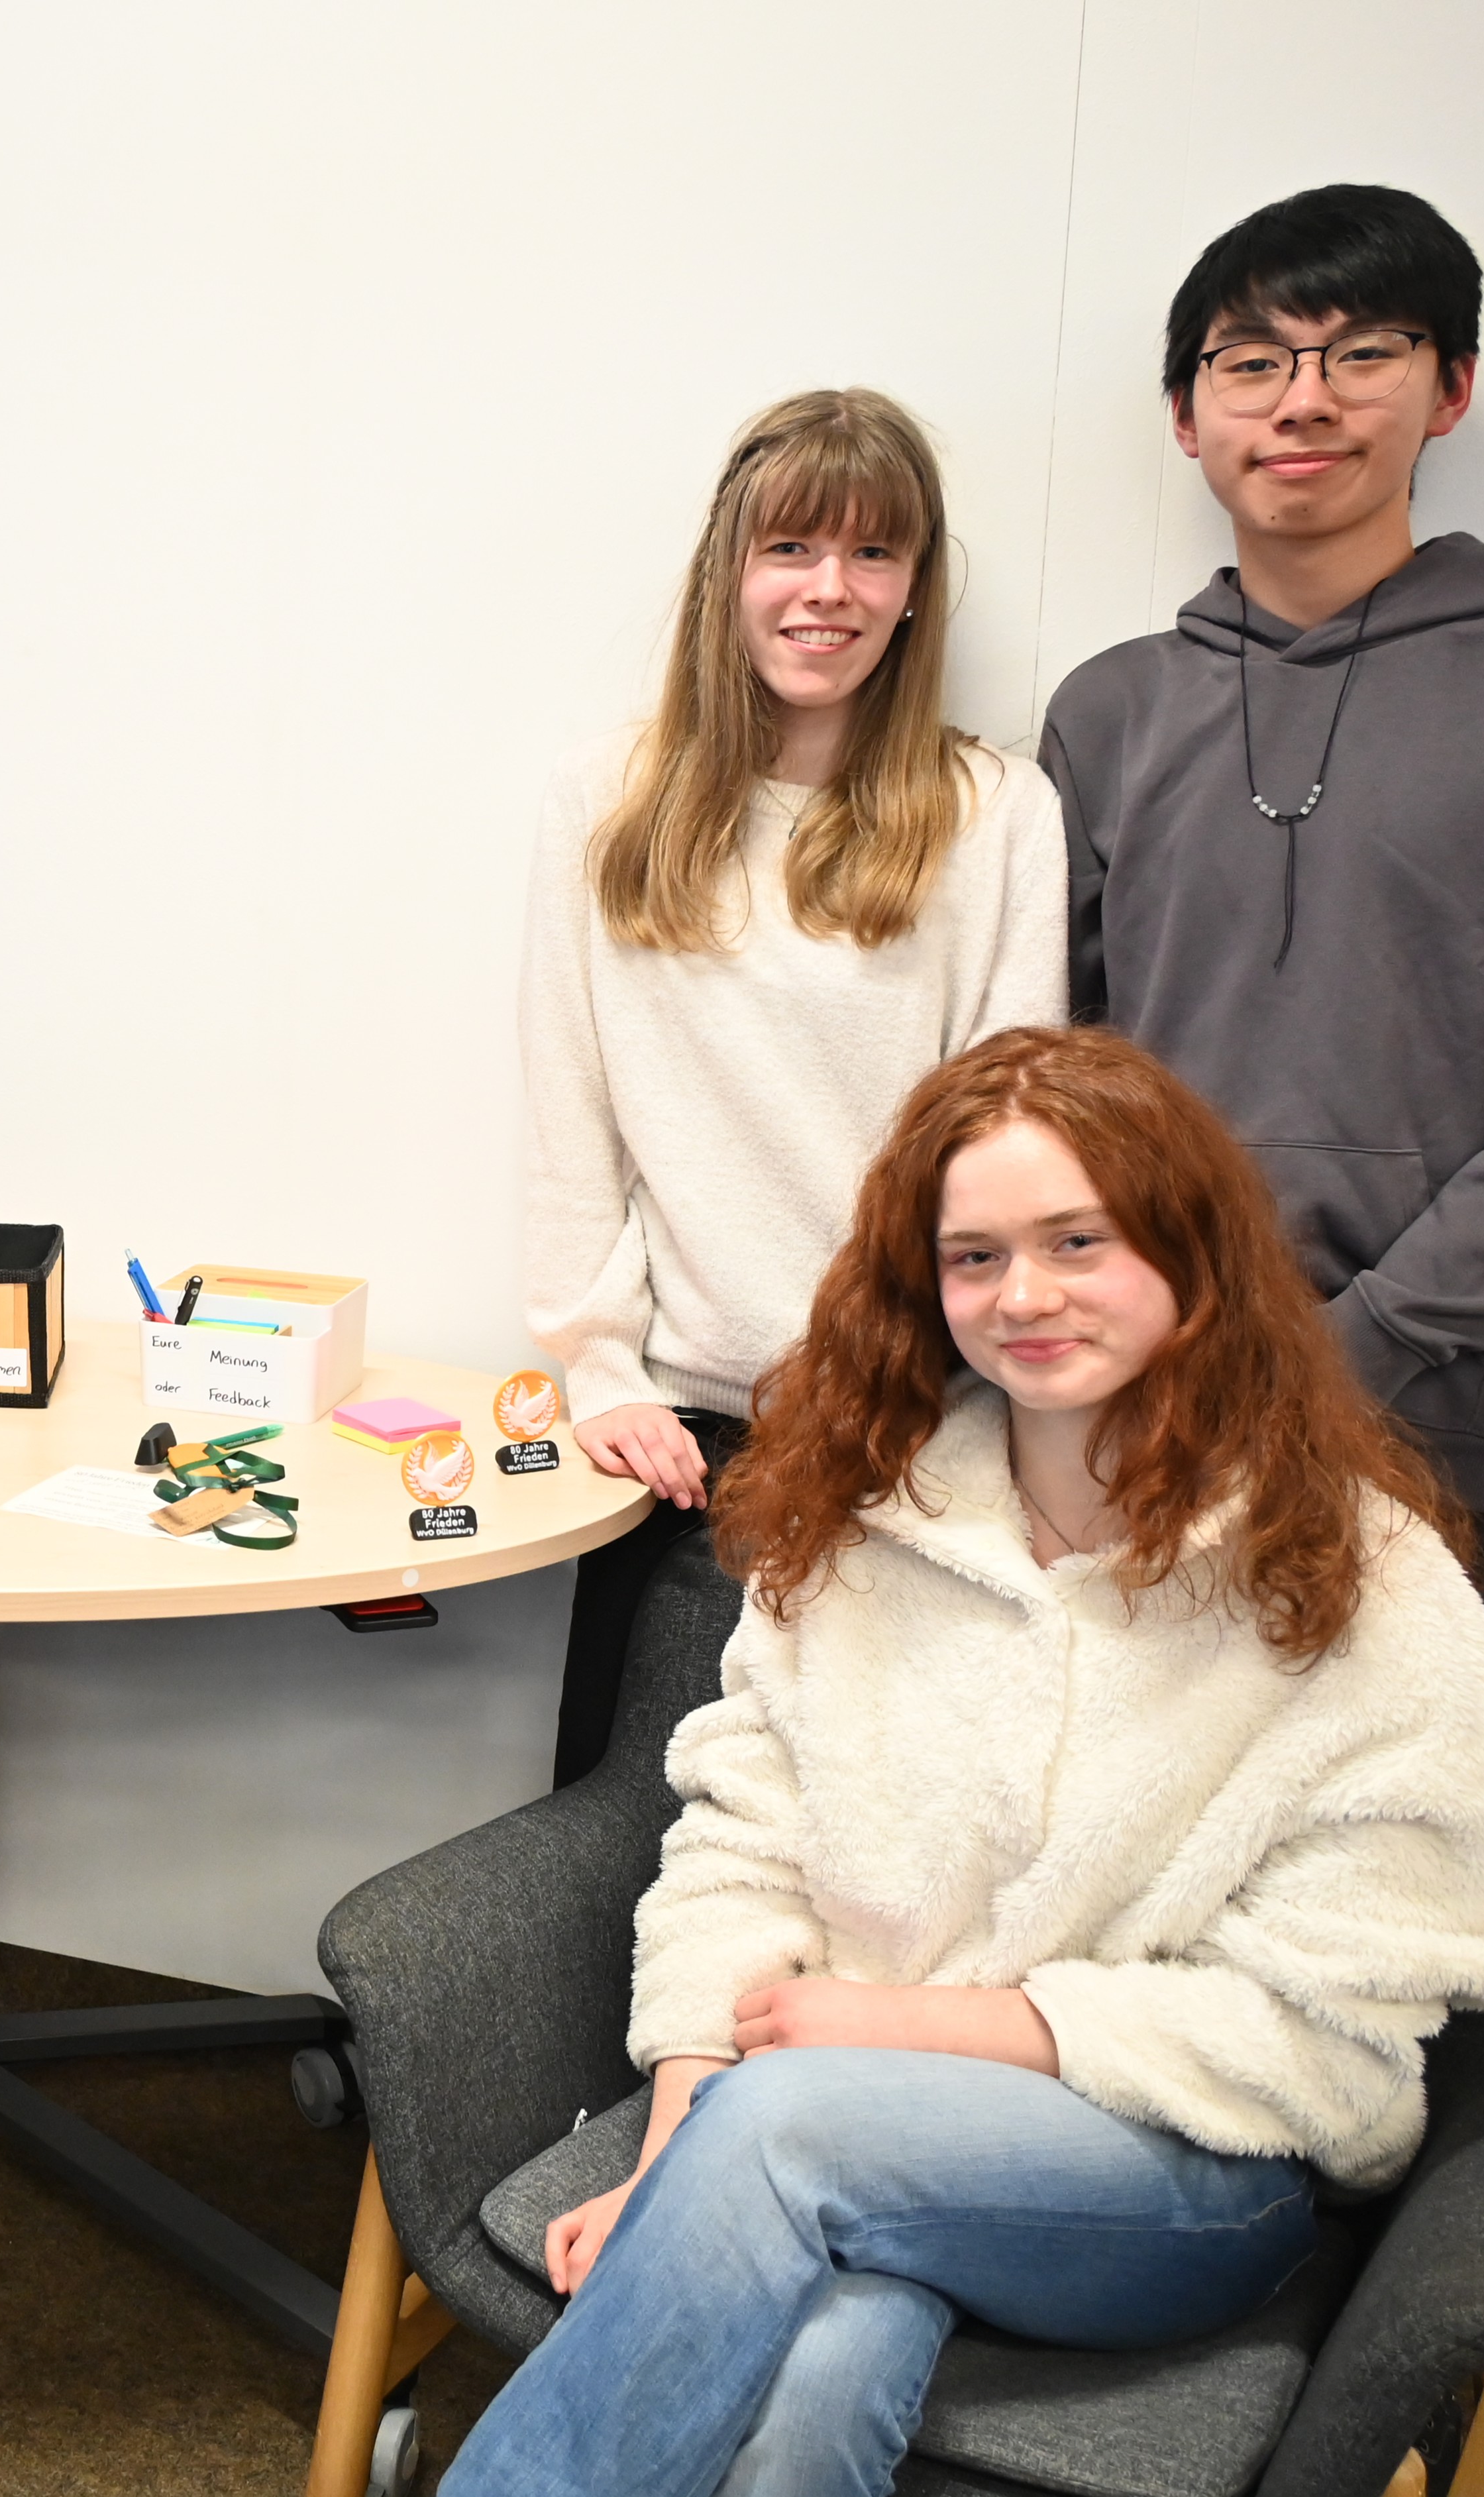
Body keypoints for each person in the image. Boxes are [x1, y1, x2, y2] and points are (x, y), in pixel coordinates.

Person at [443, 1024, 1484, 2496]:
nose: (1020, 1295)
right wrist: (673, 2166)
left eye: (1075, 1240)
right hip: (845, 2127)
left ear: (1190, 1254)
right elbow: (740, 1847)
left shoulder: (1365, 1580)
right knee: (821, 2359)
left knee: (782, 2138)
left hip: (1193, 2171)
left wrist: (896, 2031)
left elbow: (1320, 2032)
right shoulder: (862, 1514)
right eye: (972, 1257)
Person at [1041, 182, 1484, 1671]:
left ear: (1447, 390)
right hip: (1156, 1408)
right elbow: (1057, 1076)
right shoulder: (1109, 711)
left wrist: (1361, 1340)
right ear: (1186, 415)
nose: (1302, 400)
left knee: (1436, 1823)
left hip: (1469, 1430)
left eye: (1362, 352)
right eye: (1250, 361)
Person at [520, 389, 1064, 1784]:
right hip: (676, 1443)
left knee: (884, 1844)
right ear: (729, 570)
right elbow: (567, 1114)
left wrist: (918, 1383)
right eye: (790, 549)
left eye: (872, 553)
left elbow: (1009, 1148)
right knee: (628, 1842)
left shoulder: (996, 812)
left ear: (913, 589)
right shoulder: (607, 797)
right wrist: (597, 1372)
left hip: (917, 1431)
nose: (829, 589)